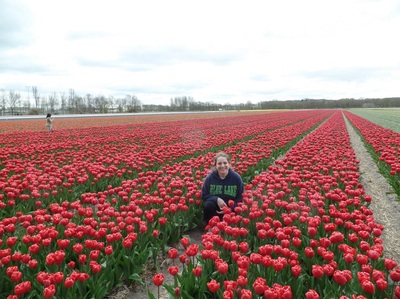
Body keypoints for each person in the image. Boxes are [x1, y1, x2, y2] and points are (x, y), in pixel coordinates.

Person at [201, 152, 244, 226]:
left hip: (231, 208)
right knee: (208, 205)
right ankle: (210, 225)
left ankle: (229, 226)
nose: (222, 166)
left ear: (229, 164)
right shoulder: (210, 178)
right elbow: (204, 195)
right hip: (215, 208)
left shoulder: (236, 178)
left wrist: (230, 209)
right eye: (219, 163)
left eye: (225, 163)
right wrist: (216, 199)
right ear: (215, 165)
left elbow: (240, 198)